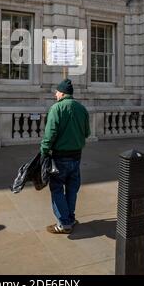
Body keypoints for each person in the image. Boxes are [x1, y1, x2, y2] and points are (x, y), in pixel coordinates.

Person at [40, 78, 90, 234]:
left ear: (62, 93)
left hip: (60, 157)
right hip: (77, 156)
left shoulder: (56, 109)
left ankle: (64, 223)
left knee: (56, 189)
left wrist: (44, 151)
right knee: (72, 189)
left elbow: (50, 135)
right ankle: (70, 218)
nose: (55, 94)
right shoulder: (82, 109)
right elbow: (87, 133)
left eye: (57, 91)